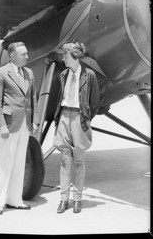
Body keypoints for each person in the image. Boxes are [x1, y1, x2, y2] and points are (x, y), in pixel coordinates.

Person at [0, 42, 39, 215]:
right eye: (23, 54)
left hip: (25, 123)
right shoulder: (0, 73)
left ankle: (15, 200)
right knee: (4, 163)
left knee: (19, 163)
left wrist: (35, 121)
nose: (27, 56)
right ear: (12, 56)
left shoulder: (29, 73)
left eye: (26, 53)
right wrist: (1, 125)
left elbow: (33, 99)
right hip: (8, 125)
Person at [53, 41, 100, 214]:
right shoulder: (63, 74)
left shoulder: (90, 76)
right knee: (65, 160)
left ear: (74, 57)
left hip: (79, 118)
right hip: (64, 116)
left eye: (65, 55)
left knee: (79, 160)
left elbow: (94, 103)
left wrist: (85, 119)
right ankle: (64, 200)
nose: (63, 58)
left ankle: (78, 199)